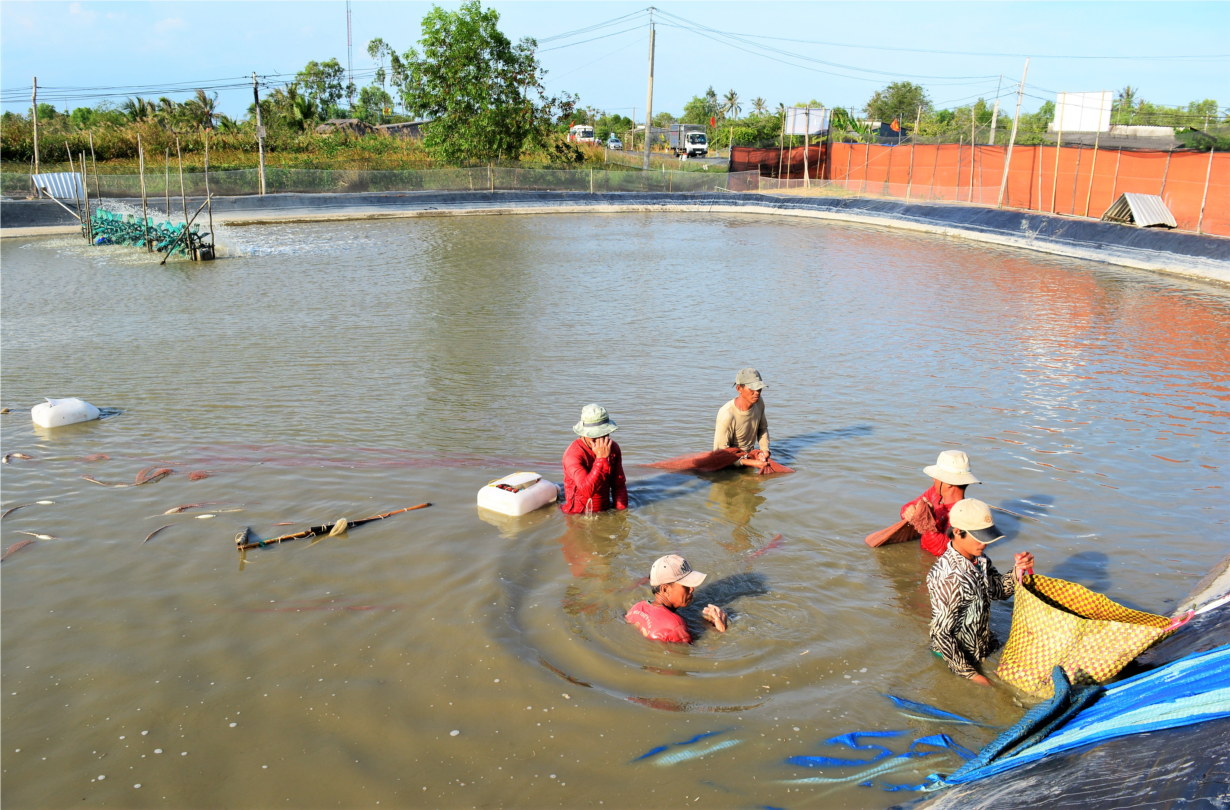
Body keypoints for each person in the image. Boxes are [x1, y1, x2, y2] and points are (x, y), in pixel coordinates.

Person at [927, 498, 1034, 685]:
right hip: (954, 656)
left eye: (987, 536)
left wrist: (1018, 570)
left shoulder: (980, 560)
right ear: (958, 532)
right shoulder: (949, 577)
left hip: (981, 644)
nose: (985, 543)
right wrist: (972, 675)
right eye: (979, 537)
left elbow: (999, 591)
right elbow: (942, 634)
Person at [626, 555, 728, 643]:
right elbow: (692, 660)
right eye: (685, 585)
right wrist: (720, 631)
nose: (692, 589)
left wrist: (705, 625)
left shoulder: (637, 607)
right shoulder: (677, 627)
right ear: (665, 589)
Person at [901, 450, 980, 556]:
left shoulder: (962, 515)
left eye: (937, 476)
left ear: (948, 483)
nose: (933, 479)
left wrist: (926, 521)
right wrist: (908, 510)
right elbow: (907, 508)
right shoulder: (934, 493)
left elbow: (940, 550)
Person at [561, 404, 628, 515]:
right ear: (584, 434)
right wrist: (601, 459)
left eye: (604, 435)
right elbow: (587, 491)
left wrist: (622, 515)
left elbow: (619, 485)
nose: (600, 441)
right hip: (578, 515)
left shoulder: (614, 448)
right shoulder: (573, 455)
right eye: (595, 437)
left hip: (605, 511)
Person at [714, 368, 771, 469]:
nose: (757, 392)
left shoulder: (759, 402)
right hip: (728, 464)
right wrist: (752, 463)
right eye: (752, 389)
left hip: (749, 458)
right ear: (739, 389)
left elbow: (762, 429)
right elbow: (721, 454)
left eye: (759, 388)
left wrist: (765, 450)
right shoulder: (727, 415)